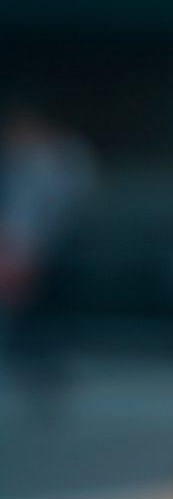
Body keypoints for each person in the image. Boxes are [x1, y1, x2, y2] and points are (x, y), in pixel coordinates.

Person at [0, 98, 97, 416]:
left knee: (35, 315)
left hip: (37, 248)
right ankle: (39, 368)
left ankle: (42, 369)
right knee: (32, 316)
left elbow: (32, 212)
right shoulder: (44, 161)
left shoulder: (49, 162)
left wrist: (22, 250)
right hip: (36, 247)